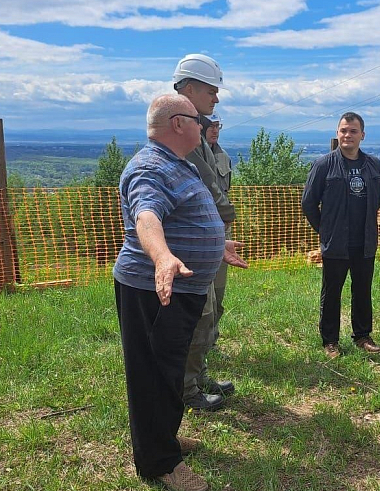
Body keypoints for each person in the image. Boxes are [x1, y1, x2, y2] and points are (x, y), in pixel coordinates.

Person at [113, 94, 248, 491]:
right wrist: (162, 257)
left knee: (170, 368)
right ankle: (160, 464)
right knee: (153, 375)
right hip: (155, 289)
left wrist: (215, 245)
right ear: (177, 123)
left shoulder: (178, 164)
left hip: (178, 287)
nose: (203, 125)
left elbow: (182, 214)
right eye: (197, 118)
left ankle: (164, 438)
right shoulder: (150, 167)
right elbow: (147, 214)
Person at [173, 54, 237, 411]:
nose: (216, 98)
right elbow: (207, 186)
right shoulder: (182, 130)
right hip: (192, 238)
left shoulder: (196, 128)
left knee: (210, 311)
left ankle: (196, 378)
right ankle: (187, 391)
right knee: (197, 315)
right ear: (191, 88)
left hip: (207, 236)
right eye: (211, 90)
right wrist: (227, 216)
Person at [301, 112, 380, 359]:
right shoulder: (324, 164)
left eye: (353, 131)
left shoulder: (373, 165)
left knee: (362, 289)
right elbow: (308, 203)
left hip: (365, 241)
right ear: (337, 134)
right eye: (343, 131)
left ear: (362, 135)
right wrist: (325, 230)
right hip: (336, 242)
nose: (347, 135)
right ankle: (330, 341)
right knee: (332, 292)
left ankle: (362, 336)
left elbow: (377, 197)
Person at [204, 112, 233, 333]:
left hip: (222, 231)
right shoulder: (189, 154)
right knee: (202, 293)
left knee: (219, 289)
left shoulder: (223, 156)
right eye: (210, 126)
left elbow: (224, 193)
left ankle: (211, 337)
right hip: (200, 231)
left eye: (217, 126)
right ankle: (198, 344)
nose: (214, 130)